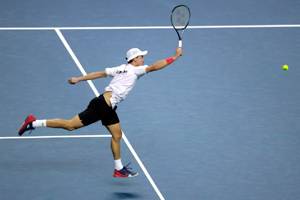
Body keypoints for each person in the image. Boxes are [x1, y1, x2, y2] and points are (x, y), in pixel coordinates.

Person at [18, 46, 182, 178]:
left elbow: (100, 73)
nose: (143, 59)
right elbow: (155, 66)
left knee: (117, 135)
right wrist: (174, 57)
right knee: (70, 126)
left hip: (106, 105)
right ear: (134, 59)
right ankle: (33, 122)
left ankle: (118, 169)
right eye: (141, 57)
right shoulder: (135, 69)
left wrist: (79, 78)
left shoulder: (120, 68)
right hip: (103, 105)